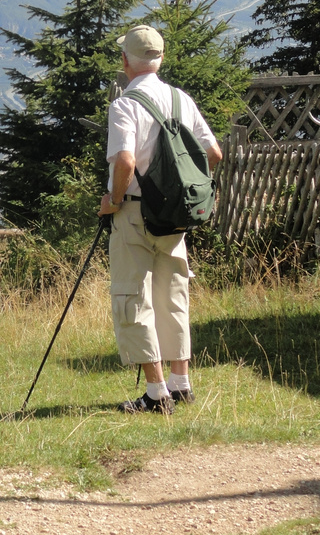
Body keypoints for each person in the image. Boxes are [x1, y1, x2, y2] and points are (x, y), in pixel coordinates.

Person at [99, 24, 222, 414]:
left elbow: (125, 160)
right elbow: (213, 153)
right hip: (175, 215)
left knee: (132, 297)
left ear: (125, 61)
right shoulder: (181, 100)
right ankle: (180, 383)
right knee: (173, 296)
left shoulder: (125, 105)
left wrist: (113, 201)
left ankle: (156, 395)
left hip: (136, 211)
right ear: (161, 58)